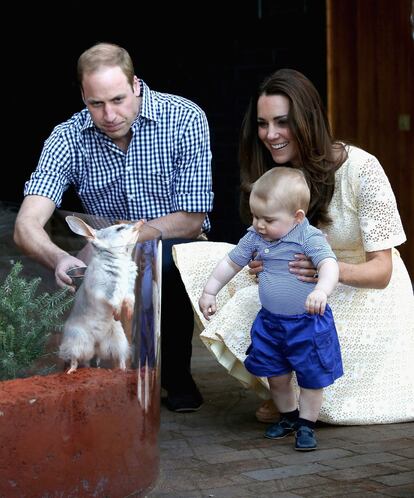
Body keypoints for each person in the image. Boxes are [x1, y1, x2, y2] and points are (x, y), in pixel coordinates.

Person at [172, 68, 414, 426]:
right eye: (263, 123)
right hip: (299, 280)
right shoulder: (275, 174)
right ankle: (281, 389)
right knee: (220, 272)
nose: (270, 135)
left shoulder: (361, 169)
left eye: (282, 122)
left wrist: (325, 271)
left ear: (307, 119)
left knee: (293, 323)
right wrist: (264, 259)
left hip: (362, 291)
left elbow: (383, 271)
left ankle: (301, 396)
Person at [13, 42, 214, 413]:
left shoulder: (185, 117)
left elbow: (192, 218)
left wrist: (118, 241)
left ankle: (172, 375)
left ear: (136, 85)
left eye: (118, 99)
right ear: (83, 97)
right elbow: (26, 224)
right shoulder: (68, 137)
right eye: (96, 104)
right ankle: (101, 379)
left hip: (173, 241)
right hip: (105, 248)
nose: (109, 114)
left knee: (161, 264)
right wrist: (60, 258)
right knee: (86, 278)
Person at [199, 166, 341, 450]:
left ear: (297, 217)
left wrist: (321, 290)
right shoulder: (255, 236)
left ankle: (306, 425)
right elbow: (231, 262)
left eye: (268, 219)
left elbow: (329, 264)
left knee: (311, 377)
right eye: (255, 216)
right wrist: (209, 290)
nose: (259, 224)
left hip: (307, 322)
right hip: (272, 323)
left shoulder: (308, 237)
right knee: (276, 376)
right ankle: (289, 417)